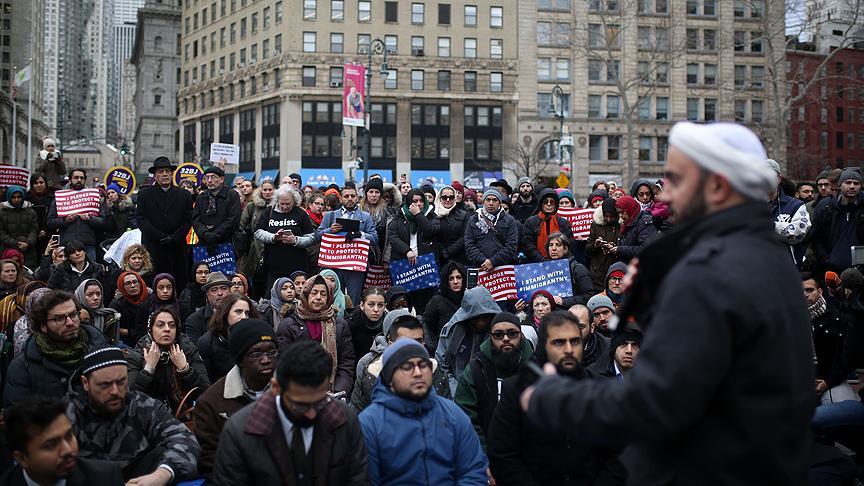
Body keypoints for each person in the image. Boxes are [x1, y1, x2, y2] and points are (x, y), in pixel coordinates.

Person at [521, 121, 814, 483]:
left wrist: (558, 399)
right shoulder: (766, 255)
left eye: (675, 180)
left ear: (718, 186)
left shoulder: (710, 272)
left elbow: (656, 401)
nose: (663, 195)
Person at [487, 310, 625, 486]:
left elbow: (618, 454)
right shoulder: (516, 390)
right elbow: (502, 454)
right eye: (559, 342)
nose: (569, 349)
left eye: (575, 341)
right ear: (544, 345)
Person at [214, 340, 368, 484]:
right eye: (300, 405)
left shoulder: (344, 419)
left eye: (321, 403)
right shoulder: (240, 432)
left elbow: (358, 478)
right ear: (276, 388)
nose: (312, 414)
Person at [359, 337, 487, 485]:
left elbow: (473, 471)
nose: (418, 372)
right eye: (407, 367)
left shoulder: (453, 415)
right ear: (389, 378)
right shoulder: (370, 424)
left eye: (423, 365)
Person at [66, 347, 201, 483]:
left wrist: (164, 473)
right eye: (105, 385)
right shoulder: (67, 414)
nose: (115, 391)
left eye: (121, 382)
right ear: (85, 383)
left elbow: (186, 441)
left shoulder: (142, 406)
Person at [193, 319, 278, 477]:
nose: (266, 360)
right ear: (239, 360)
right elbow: (210, 461)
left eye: (272, 352)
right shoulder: (211, 402)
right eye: (256, 354)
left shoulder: (291, 391)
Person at [3, 290, 107, 406]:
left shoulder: (100, 350)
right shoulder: (23, 366)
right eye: (59, 318)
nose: (70, 323)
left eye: (73, 315)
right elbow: (18, 416)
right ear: (43, 326)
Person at [2, 396, 125, 485]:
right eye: (50, 445)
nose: (67, 450)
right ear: (22, 458)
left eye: (69, 436)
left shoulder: (105, 478)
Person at [455, 312, 534, 451]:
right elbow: (465, 418)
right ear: (491, 338)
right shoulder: (475, 370)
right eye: (498, 335)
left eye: (512, 333)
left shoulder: (536, 368)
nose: (505, 339)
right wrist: (483, 456)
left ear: (521, 335)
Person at [350, 309, 451, 412]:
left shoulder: (436, 373)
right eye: (405, 342)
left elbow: (447, 416)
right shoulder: (371, 375)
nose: (413, 347)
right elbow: (357, 419)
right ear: (390, 344)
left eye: (418, 341)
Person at [276, 273, 355, 396]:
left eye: (323, 294)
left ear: (329, 297)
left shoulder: (340, 324)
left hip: (334, 393)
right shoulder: (288, 325)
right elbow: (284, 363)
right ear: (306, 295)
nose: (318, 297)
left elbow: (346, 361)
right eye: (314, 293)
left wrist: (339, 391)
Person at [126, 306, 210, 410]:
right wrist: (148, 370)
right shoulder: (137, 355)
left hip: (183, 417)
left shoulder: (188, 351)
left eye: (172, 325)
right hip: (148, 418)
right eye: (160, 325)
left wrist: (185, 370)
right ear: (150, 330)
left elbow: (205, 394)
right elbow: (130, 400)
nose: (167, 329)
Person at [136, 157, 194, 289]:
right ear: (155, 175)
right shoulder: (144, 194)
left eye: (167, 171)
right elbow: (141, 219)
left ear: (172, 173)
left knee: (178, 284)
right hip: (154, 246)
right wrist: (161, 236)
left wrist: (174, 237)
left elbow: (188, 219)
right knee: (156, 284)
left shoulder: (184, 195)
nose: (164, 174)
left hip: (177, 246)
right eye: (160, 172)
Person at [316, 183, 379, 304]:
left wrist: (360, 234)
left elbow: (375, 238)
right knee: (332, 299)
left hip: (355, 265)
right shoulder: (330, 216)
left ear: (357, 198)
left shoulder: (365, 217)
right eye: (346, 196)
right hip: (334, 265)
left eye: (352, 196)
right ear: (341, 198)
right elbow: (318, 236)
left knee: (354, 300)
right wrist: (330, 230)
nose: (350, 198)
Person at [802, 272, 858, 403]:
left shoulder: (837, 318)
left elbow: (845, 357)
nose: (805, 295)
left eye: (809, 290)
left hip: (831, 380)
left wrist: (828, 382)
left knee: (844, 414)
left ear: (820, 291)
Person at [436, 286, 502, 393]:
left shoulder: (501, 331)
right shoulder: (451, 332)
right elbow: (442, 367)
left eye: (485, 317)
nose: (481, 322)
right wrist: (458, 393)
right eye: (476, 317)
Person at [255, 185, 316, 294]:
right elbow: (258, 232)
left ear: (294, 201)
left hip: (297, 267)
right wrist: (273, 237)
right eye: (282, 204)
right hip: (273, 267)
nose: (284, 207)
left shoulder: (301, 213)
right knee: (272, 296)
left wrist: (295, 240)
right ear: (277, 200)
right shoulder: (269, 211)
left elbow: (311, 237)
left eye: (288, 204)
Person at [387, 188, 440, 312]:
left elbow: (431, 231)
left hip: (424, 265)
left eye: (421, 200)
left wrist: (418, 215)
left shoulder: (431, 215)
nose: (419, 204)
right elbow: (393, 237)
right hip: (404, 263)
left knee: (424, 300)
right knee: (405, 299)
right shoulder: (399, 216)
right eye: (415, 201)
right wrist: (407, 250)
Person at [46, 168, 108, 261]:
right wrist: (65, 221)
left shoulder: (93, 197)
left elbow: (103, 222)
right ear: (70, 180)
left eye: (82, 178)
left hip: (87, 244)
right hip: (67, 244)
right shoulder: (60, 199)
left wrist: (89, 218)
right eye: (76, 177)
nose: (79, 180)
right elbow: (50, 222)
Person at [812, 168, 864, 274]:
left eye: (856, 183)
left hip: (861, 272)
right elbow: (817, 238)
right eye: (848, 182)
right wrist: (825, 260)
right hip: (832, 270)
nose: (852, 186)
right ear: (840, 185)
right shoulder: (825, 207)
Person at [198, 293, 258, 382]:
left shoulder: (253, 338)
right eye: (238, 312)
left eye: (247, 313)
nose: (244, 317)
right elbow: (206, 381)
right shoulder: (207, 342)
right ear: (225, 313)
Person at [766, 159, 811, 268]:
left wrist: (771, 226)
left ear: (779, 178)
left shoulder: (795, 205)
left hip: (787, 267)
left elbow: (800, 231)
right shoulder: (750, 205)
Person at [465, 188, 520, 271]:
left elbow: (511, 246)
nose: (491, 203)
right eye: (488, 200)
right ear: (483, 202)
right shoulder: (473, 219)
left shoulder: (509, 220)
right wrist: (484, 261)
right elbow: (469, 245)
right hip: (480, 266)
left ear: (500, 203)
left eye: (494, 200)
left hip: (503, 268)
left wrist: (493, 261)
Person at [192, 165, 242, 255]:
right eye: (207, 177)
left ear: (221, 179)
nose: (209, 180)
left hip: (226, 242)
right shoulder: (201, 197)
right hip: (204, 242)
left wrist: (215, 235)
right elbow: (196, 219)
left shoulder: (232, 195)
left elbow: (233, 219)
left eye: (213, 177)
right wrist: (205, 234)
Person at [236, 179, 275, 295]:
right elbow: (241, 226)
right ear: (260, 190)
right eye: (265, 189)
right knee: (254, 281)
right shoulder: (252, 206)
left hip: (273, 247)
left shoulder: (279, 206)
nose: (267, 192)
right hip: (254, 249)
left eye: (270, 190)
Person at [421, 261, 466, 353]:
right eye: (451, 278)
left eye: (459, 277)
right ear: (446, 281)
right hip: (444, 351)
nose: (455, 282)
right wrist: (434, 347)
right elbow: (427, 325)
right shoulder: (437, 301)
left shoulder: (471, 297)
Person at [542, 232, 594, 306]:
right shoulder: (541, 269)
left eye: (558, 245)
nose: (553, 248)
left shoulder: (578, 268)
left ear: (565, 249)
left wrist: (564, 301)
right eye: (551, 245)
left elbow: (588, 295)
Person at [523, 188, 574, 263]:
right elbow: (528, 245)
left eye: (552, 202)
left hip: (560, 263)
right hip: (537, 264)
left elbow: (569, 244)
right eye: (545, 202)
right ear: (541, 204)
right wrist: (542, 259)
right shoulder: (530, 222)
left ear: (556, 205)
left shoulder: (563, 223)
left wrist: (559, 258)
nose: (549, 204)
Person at [184, 271, 231, 342]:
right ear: (207, 295)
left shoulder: (241, 313)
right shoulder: (194, 320)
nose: (220, 293)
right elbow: (195, 350)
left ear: (230, 292)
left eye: (223, 288)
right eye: (214, 290)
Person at [586, 197, 622, 292]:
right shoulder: (596, 225)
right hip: (598, 271)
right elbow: (587, 250)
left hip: (615, 269)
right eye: (606, 216)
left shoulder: (622, 225)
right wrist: (595, 245)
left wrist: (616, 248)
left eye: (611, 216)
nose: (609, 219)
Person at [0, 185, 38, 268]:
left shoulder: (31, 212)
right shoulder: (1, 212)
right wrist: (15, 243)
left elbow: (34, 229)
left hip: (28, 251)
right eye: (13, 197)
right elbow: (1, 232)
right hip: (8, 251)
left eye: (19, 197)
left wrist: (28, 243)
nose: (16, 200)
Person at [611, 194, 657, 262]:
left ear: (629, 208)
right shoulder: (628, 223)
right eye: (619, 213)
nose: (620, 216)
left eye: (622, 212)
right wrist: (615, 248)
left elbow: (645, 249)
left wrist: (620, 249)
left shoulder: (644, 223)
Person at [108, 270, 150, 345]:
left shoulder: (150, 299)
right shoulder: (117, 304)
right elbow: (114, 327)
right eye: (128, 283)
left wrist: (128, 331)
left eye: (135, 282)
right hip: (126, 343)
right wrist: (129, 332)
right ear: (122, 286)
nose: (133, 286)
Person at [347, 287, 386, 360]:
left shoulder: (389, 325)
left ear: (385, 306)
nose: (376, 309)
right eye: (371, 304)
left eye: (380, 305)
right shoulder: (351, 325)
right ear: (362, 305)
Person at [434, 185, 470, 264]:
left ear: (455, 198)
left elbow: (465, 236)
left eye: (451, 197)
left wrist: (449, 251)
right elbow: (432, 236)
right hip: (439, 258)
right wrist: (442, 252)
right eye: (444, 197)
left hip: (459, 258)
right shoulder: (433, 215)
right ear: (440, 198)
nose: (448, 200)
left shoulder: (464, 215)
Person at [569, 303, 610, 369]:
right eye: (570, 325)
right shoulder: (555, 346)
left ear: (592, 327)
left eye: (581, 326)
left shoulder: (607, 348)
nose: (575, 331)